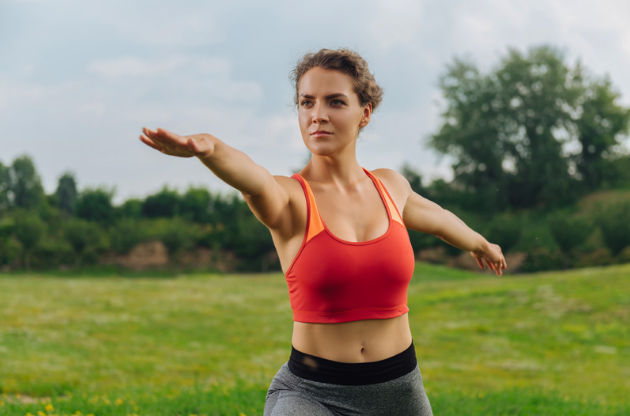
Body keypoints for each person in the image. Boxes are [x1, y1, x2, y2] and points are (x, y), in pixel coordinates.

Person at [140, 48, 507, 416]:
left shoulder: (390, 187)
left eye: (335, 102)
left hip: (400, 391)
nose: (318, 116)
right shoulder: (290, 199)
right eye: (306, 102)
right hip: (311, 395)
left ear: (365, 113)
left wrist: (481, 243)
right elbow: (253, 179)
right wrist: (209, 148)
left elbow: (440, 218)